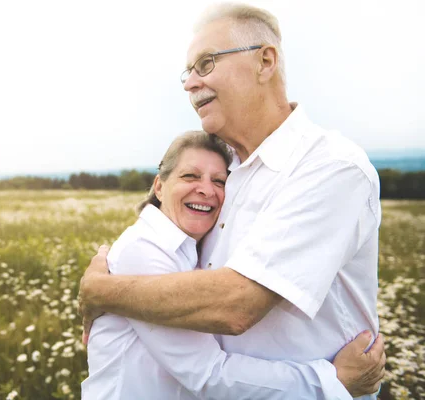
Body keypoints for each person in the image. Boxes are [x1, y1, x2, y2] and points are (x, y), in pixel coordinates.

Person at [78, 3, 385, 399]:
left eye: (205, 64)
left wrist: (102, 291)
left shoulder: (331, 166)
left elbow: (235, 304)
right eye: (187, 73)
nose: (190, 83)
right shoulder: (228, 174)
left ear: (265, 61)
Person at [82, 131, 384, 400]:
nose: (206, 189)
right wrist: (331, 382)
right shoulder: (143, 250)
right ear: (159, 187)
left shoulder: (193, 248)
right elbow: (208, 374)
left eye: (219, 181)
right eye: (190, 176)